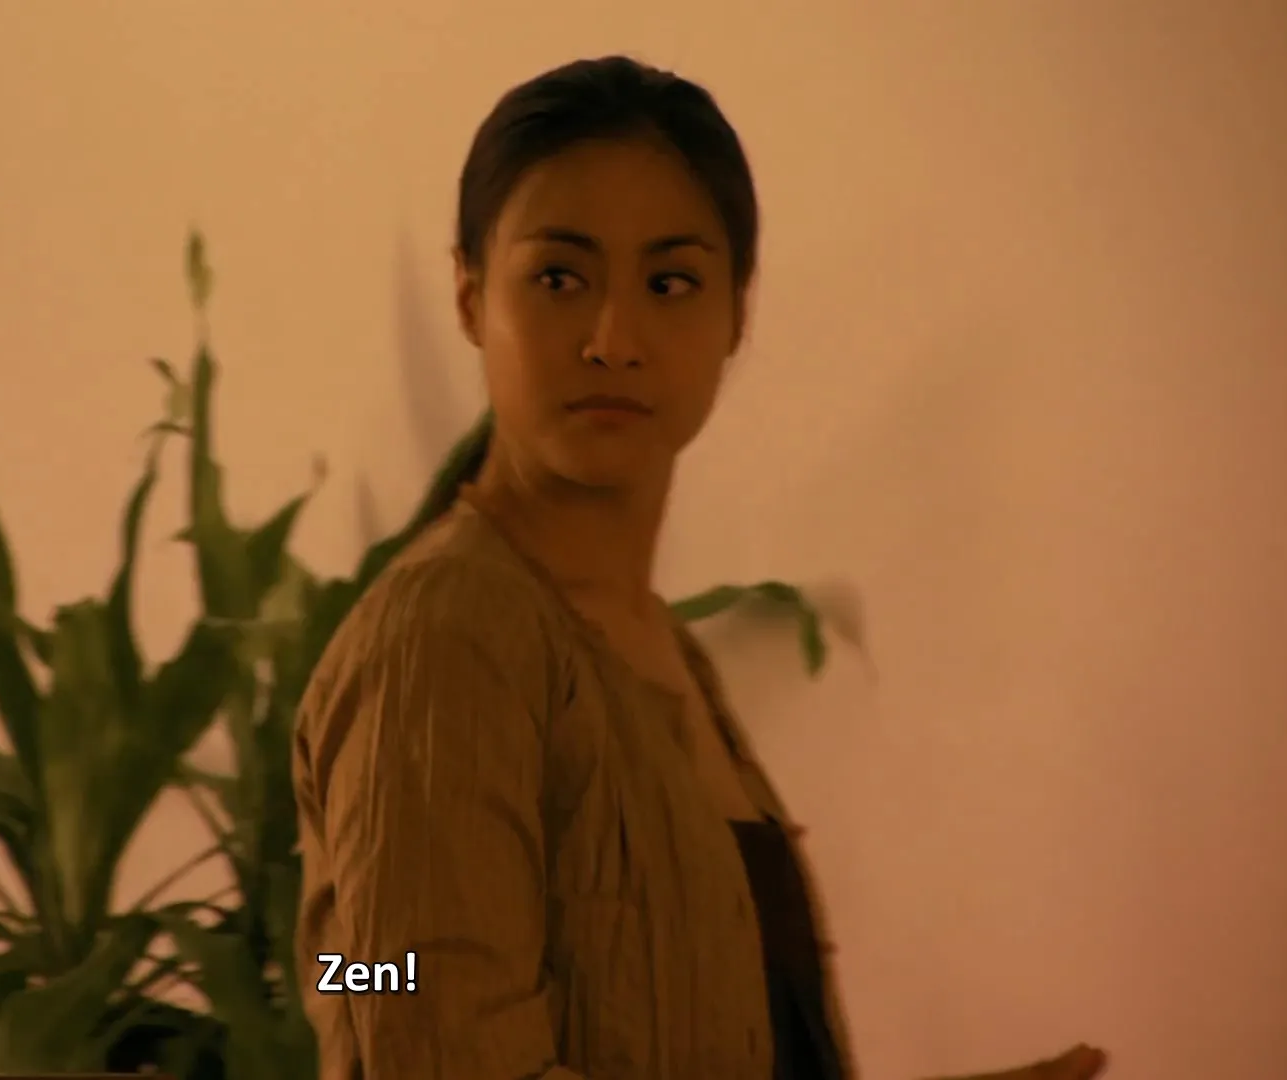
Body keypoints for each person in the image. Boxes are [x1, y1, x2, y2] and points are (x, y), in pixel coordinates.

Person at [291, 56, 1110, 1080]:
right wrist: (360, 974)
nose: (614, 339)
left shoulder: (662, 648)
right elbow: (400, 994)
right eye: (559, 279)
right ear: (469, 295)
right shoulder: (448, 636)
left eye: (669, 283)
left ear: (735, 314)